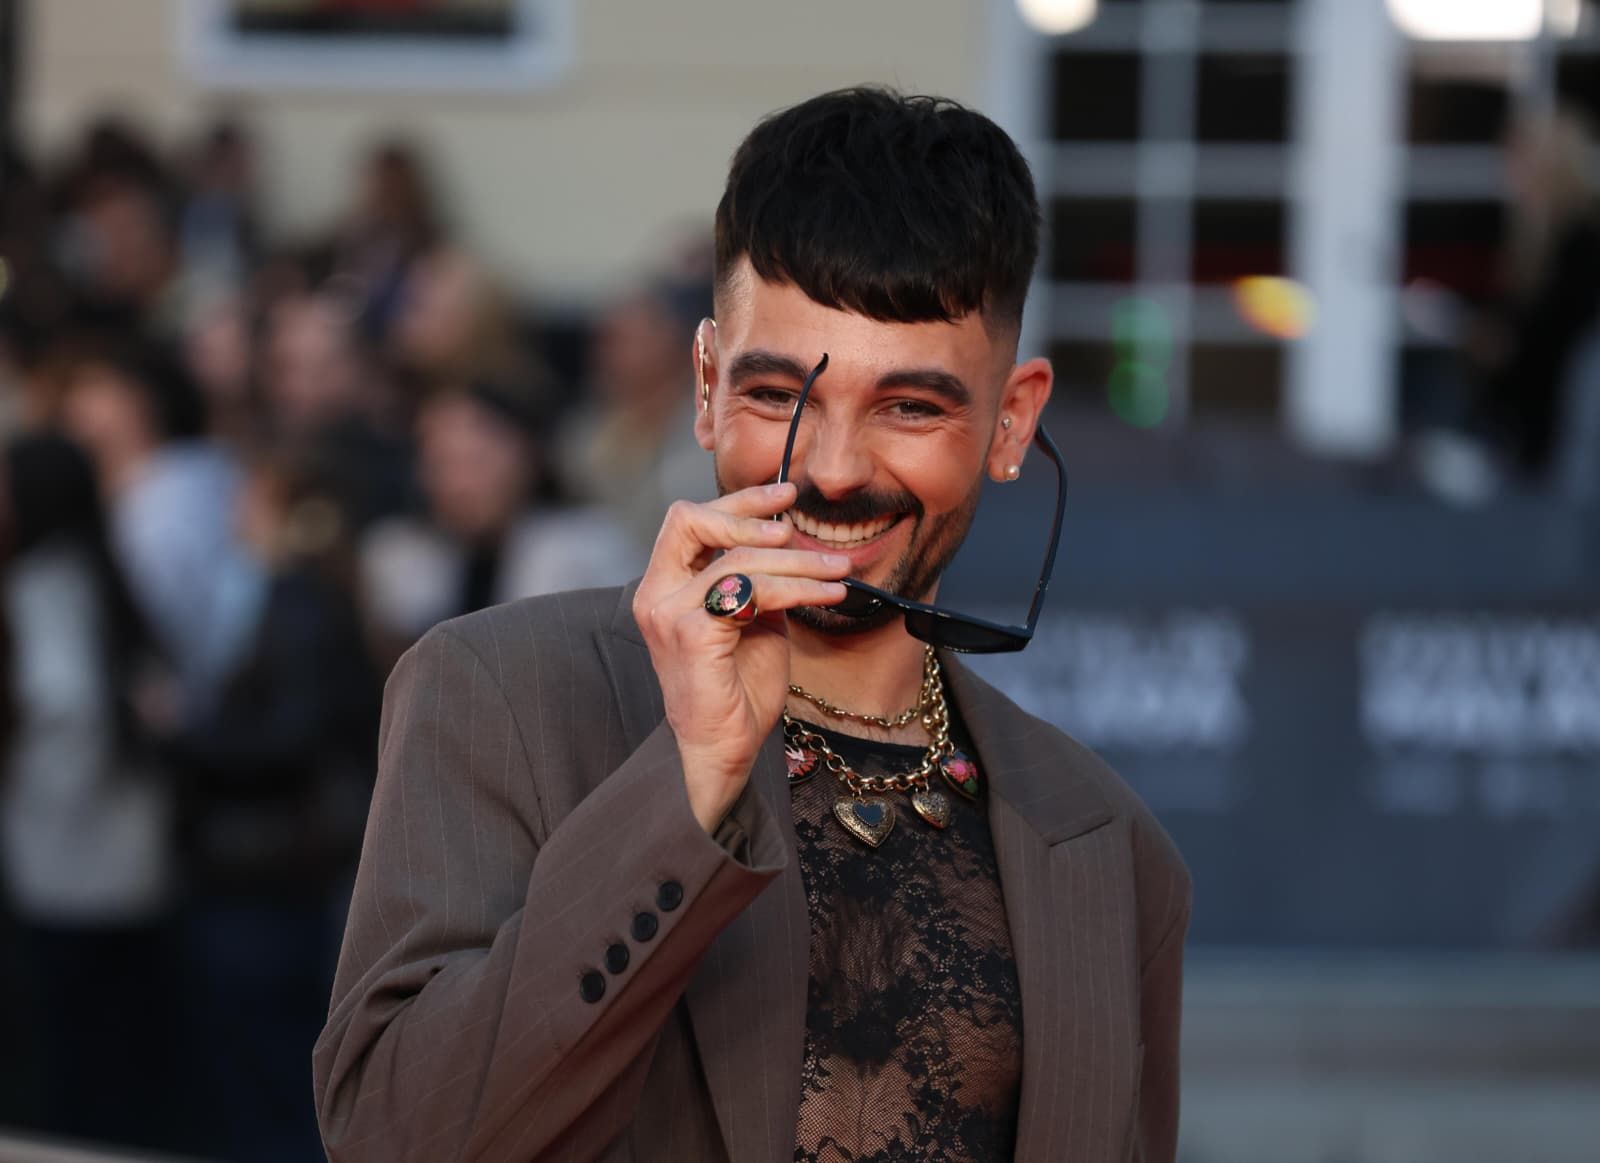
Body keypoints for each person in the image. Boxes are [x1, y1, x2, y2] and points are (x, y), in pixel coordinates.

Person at [315, 87, 1191, 1162]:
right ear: (703, 384)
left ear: (1010, 421)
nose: (831, 470)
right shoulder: (500, 695)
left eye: (910, 406)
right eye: (779, 394)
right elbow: (396, 1142)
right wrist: (690, 777)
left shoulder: (1110, 846)